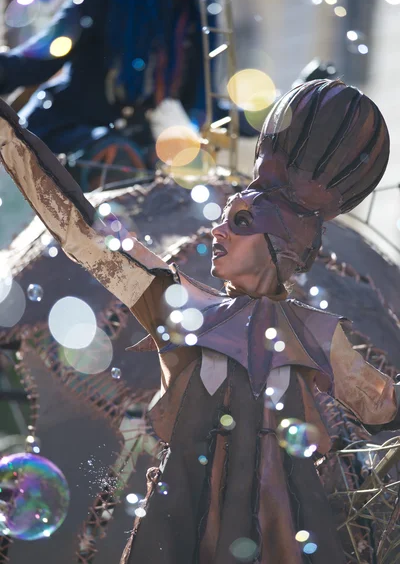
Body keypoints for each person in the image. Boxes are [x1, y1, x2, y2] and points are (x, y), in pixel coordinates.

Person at [0, 79, 399, 564]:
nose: (217, 229)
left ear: (284, 249)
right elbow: (82, 232)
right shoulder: (179, 306)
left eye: (242, 221)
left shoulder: (318, 333)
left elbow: (382, 406)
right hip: (179, 525)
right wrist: (10, 136)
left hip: (285, 531)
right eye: (224, 217)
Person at [0, 0, 213, 178]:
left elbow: (196, 102)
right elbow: (40, 59)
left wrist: (243, 116)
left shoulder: (197, 17)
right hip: (72, 131)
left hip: (139, 142)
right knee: (119, 157)